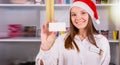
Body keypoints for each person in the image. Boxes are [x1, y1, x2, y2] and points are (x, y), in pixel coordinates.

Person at [35, 0, 110, 65]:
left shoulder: (102, 41)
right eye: (74, 14)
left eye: (83, 13)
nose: (78, 18)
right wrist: (45, 47)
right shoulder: (61, 40)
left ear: (90, 15)